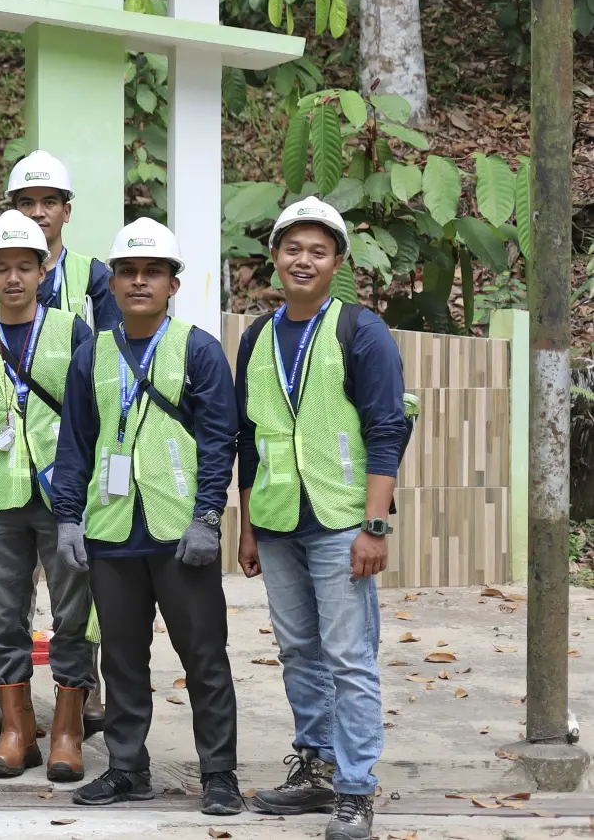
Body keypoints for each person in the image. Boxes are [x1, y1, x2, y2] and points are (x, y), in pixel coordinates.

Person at [51, 218, 243, 815]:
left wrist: (209, 516)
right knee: (123, 660)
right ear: (110, 283)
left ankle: (219, 774)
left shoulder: (199, 349)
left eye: (151, 272)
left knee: (204, 656)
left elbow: (219, 439)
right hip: (112, 533)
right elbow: (76, 442)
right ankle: (127, 768)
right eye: (128, 272)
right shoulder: (94, 353)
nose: (139, 282)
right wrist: (67, 517)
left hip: (178, 531)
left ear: (172, 284)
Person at [237, 198, 409, 840]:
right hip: (279, 520)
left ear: (337, 262)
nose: (302, 260)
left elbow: (386, 428)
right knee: (299, 651)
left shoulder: (360, 330)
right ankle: (316, 769)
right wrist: (250, 524)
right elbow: (250, 439)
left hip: (342, 520)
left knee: (349, 654)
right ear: (274, 259)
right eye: (292, 249)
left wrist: (375, 525)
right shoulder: (257, 336)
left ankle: (356, 787)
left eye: (318, 250)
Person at [0, 211, 96, 782]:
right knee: (3, 616)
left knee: (72, 615)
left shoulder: (74, 332)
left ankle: (67, 731)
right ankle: (19, 731)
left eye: (25, 267)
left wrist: (81, 497)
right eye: (2, 268)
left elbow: (90, 420)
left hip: (63, 498)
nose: (14, 278)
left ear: (43, 271)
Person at [0, 151, 120, 332]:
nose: (38, 213)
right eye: (27, 203)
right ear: (14, 211)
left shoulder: (94, 277)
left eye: (49, 203)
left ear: (67, 212)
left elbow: (109, 348)